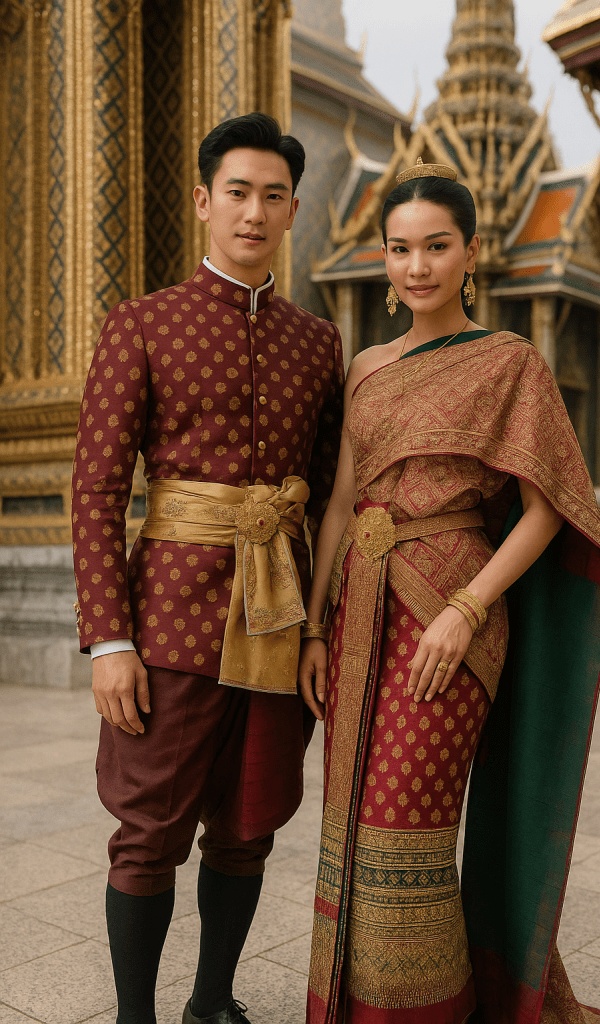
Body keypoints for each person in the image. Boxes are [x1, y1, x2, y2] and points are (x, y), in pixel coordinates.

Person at [299, 160, 600, 1024]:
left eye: (435, 247)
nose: (416, 268)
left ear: (470, 253)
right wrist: (314, 629)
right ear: (382, 258)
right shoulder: (366, 366)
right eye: (400, 250)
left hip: (449, 613)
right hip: (360, 614)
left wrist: (467, 607)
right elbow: (339, 503)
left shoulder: (508, 363)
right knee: (354, 835)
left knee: (409, 834)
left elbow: (548, 509)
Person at [71, 112, 344, 1024]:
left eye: (273, 196)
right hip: (169, 623)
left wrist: (318, 628)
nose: (254, 212)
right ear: (204, 201)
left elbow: (337, 493)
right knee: (148, 835)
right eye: (238, 192)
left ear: (294, 209)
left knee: (247, 828)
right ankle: (136, 1017)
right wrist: (109, 639)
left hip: (277, 627)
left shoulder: (318, 343)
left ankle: (212, 1000)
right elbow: (98, 490)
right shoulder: (143, 323)